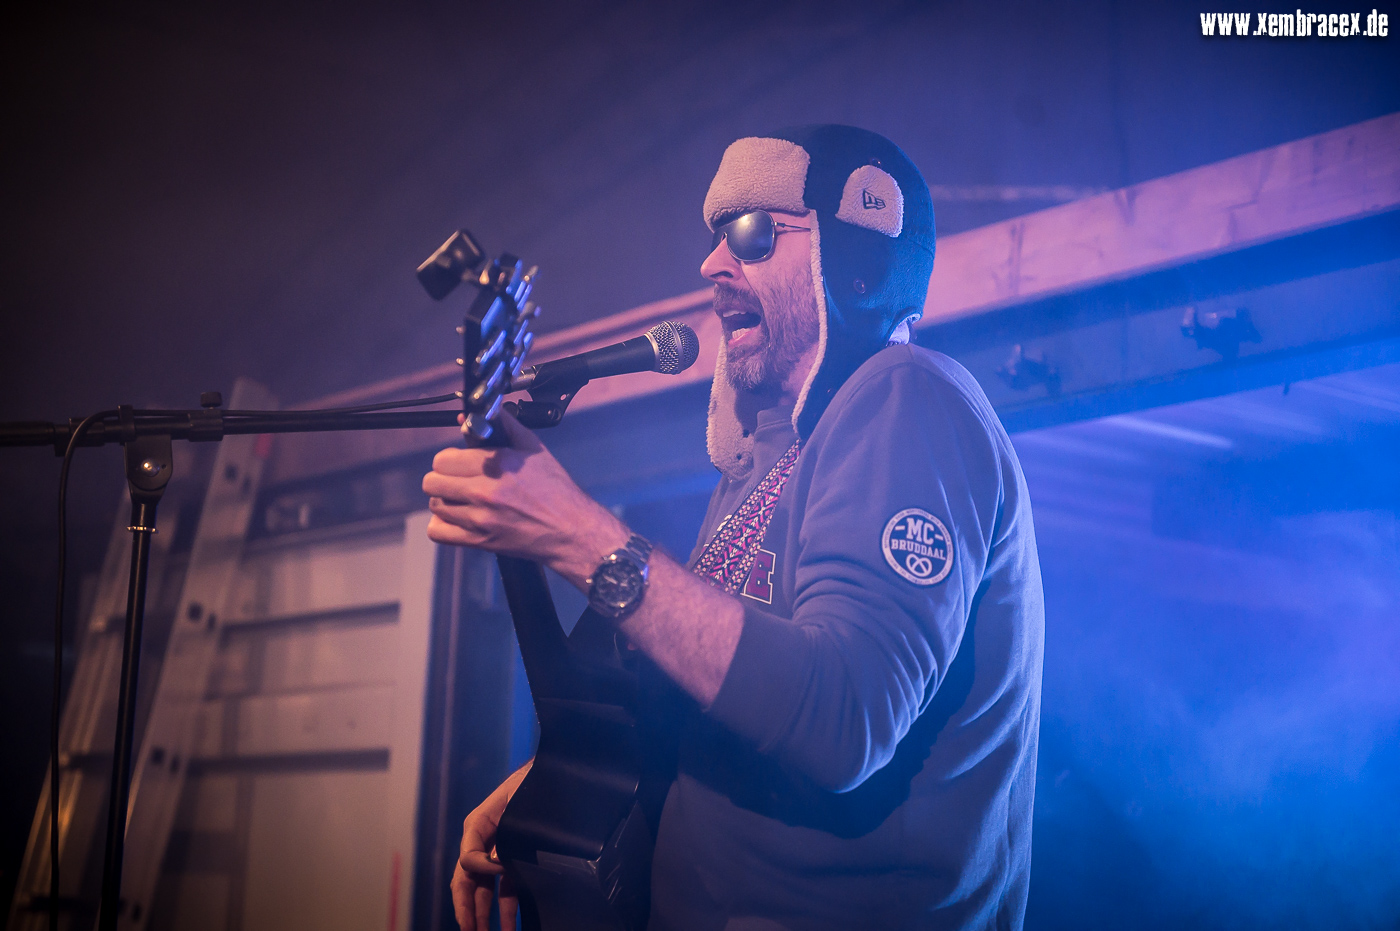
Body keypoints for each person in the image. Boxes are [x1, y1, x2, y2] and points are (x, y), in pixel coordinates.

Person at [422, 125, 1044, 931]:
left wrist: (577, 533)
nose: (713, 264)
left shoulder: (909, 397)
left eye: (752, 233)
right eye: (716, 237)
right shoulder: (765, 460)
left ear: (852, 264)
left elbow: (846, 716)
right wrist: (555, 782)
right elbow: (716, 698)